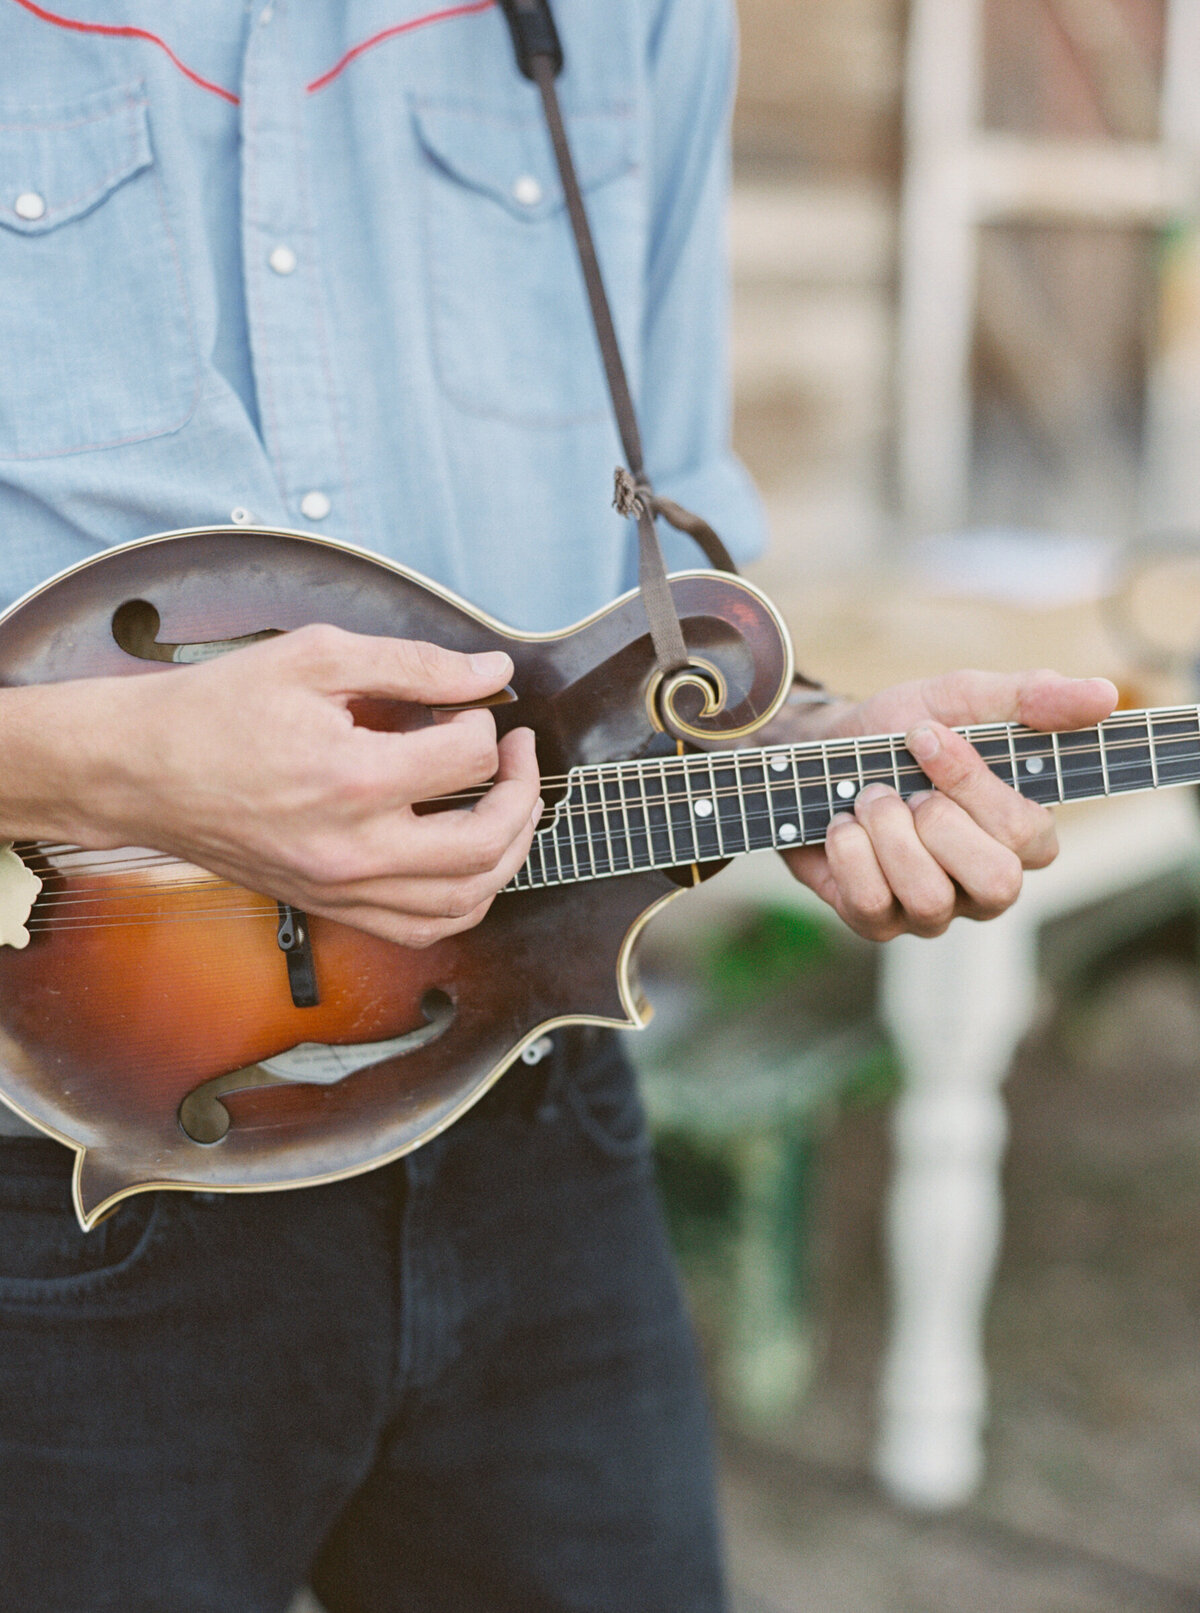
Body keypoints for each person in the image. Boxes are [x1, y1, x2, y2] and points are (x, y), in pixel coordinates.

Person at [0, 3, 1115, 1609]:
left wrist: (806, 746)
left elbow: (654, 623)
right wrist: (114, 768)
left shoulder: (633, 18)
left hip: (536, 1127)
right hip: (58, 1177)